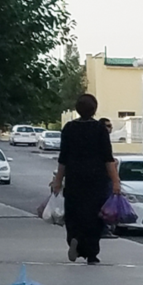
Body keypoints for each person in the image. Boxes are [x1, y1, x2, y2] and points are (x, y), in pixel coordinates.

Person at [51, 94, 121, 265]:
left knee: (74, 213)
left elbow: (63, 158)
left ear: (77, 109)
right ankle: (91, 253)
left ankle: (74, 238)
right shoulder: (99, 129)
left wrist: (58, 180)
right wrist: (115, 181)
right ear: (95, 109)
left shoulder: (69, 128)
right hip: (96, 179)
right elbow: (108, 158)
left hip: (74, 177)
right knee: (94, 216)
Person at [97, 117, 119, 239]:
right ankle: (103, 229)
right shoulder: (101, 141)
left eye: (110, 126)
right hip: (103, 178)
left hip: (104, 178)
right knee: (103, 203)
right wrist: (116, 180)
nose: (109, 129)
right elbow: (108, 161)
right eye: (107, 126)